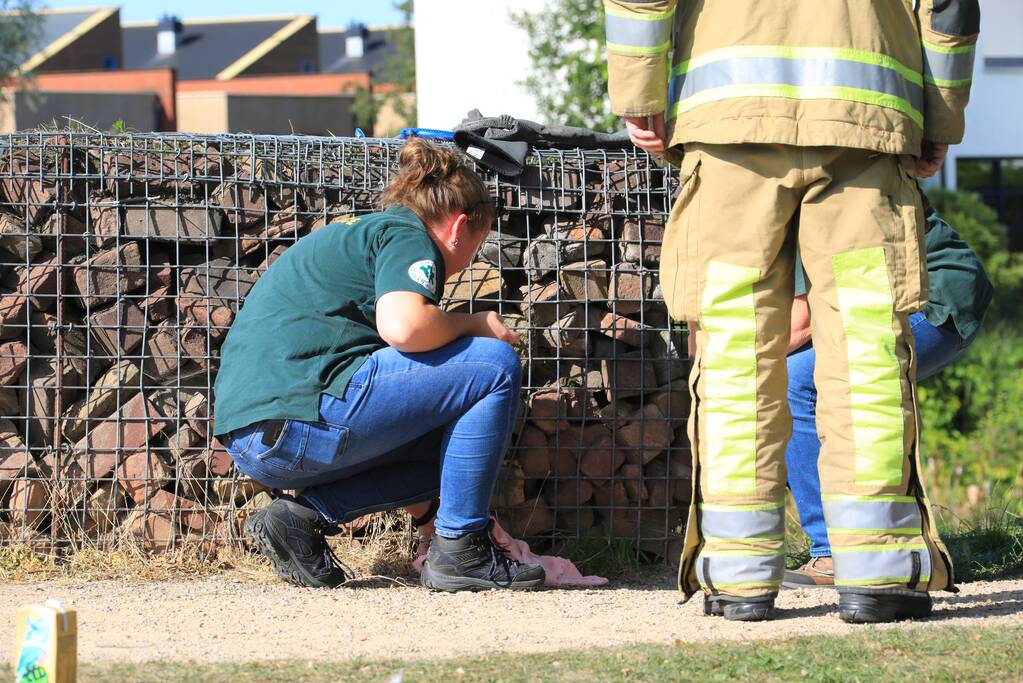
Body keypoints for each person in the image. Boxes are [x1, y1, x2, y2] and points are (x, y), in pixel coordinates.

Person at [605, 0, 979, 622]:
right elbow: (949, 7)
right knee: (865, 351)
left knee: (733, 351)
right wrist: (940, 117)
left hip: (728, 125)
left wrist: (639, 91)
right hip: (866, 123)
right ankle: (879, 570)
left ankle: (739, 572)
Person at [212, 139, 546, 592]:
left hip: (258, 438)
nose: (465, 264)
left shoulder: (362, 234)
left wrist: (431, 521)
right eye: (476, 247)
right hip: (300, 416)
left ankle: (300, 519)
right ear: (459, 227)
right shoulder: (407, 235)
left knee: (454, 449)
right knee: (493, 363)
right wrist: (476, 323)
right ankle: (464, 551)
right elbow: (405, 328)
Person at [784, 202, 993, 588]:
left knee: (792, 381)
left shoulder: (800, 207)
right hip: (918, 295)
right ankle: (877, 544)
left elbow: (801, 324)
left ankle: (831, 553)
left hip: (935, 301)